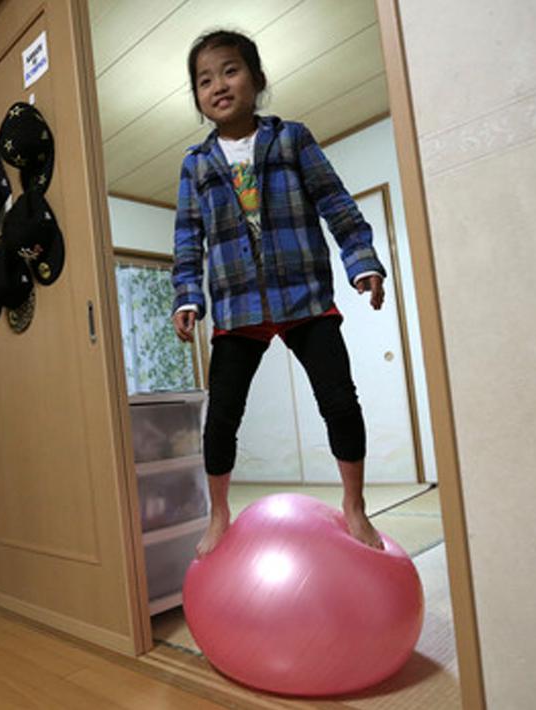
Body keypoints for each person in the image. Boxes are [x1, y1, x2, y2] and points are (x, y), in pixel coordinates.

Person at [171, 29, 388, 555]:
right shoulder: (196, 165)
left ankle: (355, 507)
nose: (218, 85)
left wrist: (361, 262)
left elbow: (336, 203)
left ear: (256, 78)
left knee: (339, 399)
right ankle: (219, 512)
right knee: (221, 414)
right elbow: (187, 239)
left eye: (230, 70)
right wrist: (186, 296)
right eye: (204, 80)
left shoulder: (291, 139)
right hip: (237, 308)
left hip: (305, 298)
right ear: (198, 97)